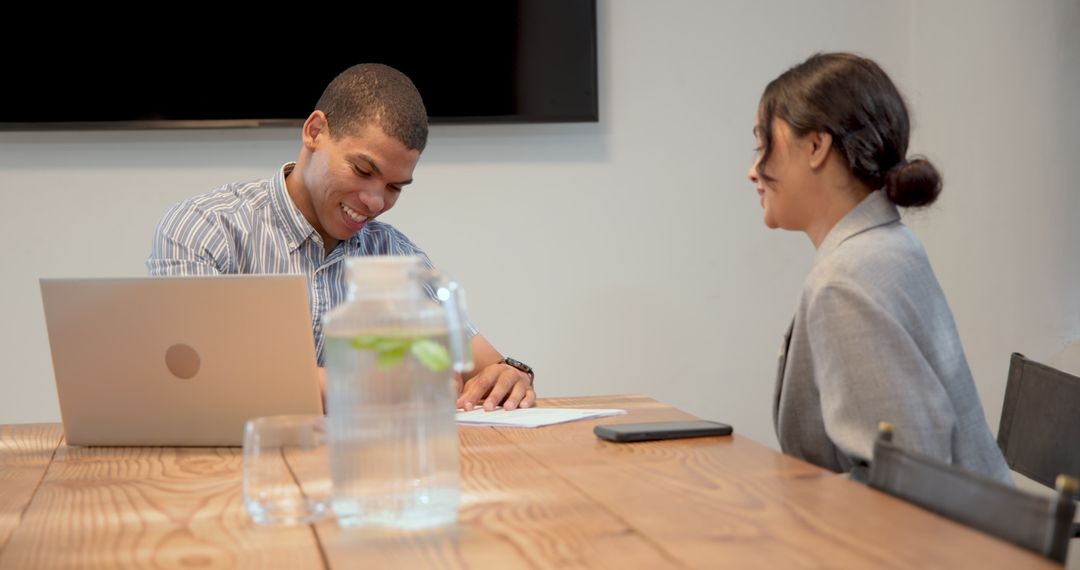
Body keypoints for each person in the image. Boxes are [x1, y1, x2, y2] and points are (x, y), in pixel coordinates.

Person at [148, 64, 534, 411]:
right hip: (223, 471)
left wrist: (507, 375)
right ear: (314, 132)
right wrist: (379, 386)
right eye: (363, 170)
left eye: (395, 188)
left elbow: (479, 365)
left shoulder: (395, 255)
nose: (374, 201)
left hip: (358, 471)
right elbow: (197, 376)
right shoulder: (204, 228)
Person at [747, 52, 1010, 481]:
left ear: (816, 146)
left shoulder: (847, 279)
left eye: (763, 146)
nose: (753, 170)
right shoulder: (883, 245)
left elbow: (909, 480)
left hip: (937, 544)